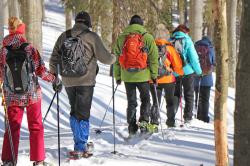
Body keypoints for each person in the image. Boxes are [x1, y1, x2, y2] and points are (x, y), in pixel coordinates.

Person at [49, 11, 116, 157]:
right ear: (88, 23)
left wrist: (55, 76)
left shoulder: (64, 36)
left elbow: (54, 58)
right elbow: (106, 58)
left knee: (74, 111)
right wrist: (114, 58)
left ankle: (79, 142)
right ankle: (81, 145)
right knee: (83, 113)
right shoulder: (91, 36)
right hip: (86, 80)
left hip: (68, 80)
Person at [0, 17, 61, 166]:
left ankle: (8, 160)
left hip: (11, 95)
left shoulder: (3, 51)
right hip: (32, 94)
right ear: (22, 29)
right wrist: (54, 79)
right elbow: (41, 70)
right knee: (36, 126)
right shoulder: (29, 49)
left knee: (12, 127)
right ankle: (38, 160)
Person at [113, 15, 158, 135]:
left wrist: (118, 76)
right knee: (145, 99)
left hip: (127, 75)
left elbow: (116, 59)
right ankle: (143, 123)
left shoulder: (122, 38)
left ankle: (132, 127)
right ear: (141, 24)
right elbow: (154, 58)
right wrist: (154, 75)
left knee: (131, 101)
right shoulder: (147, 37)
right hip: (143, 75)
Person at [149, 24, 184, 130]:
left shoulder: (151, 47)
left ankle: (154, 123)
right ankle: (170, 122)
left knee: (155, 102)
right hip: (169, 79)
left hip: (153, 79)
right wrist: (180, 73)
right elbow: (177, 65)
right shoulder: (170, 49)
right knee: (170, 101)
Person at [170, 24, 202, 123]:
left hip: (175, 71)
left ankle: (171, 116)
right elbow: (193, 58)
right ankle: (188, 117)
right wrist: (199, 71)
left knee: (176, 94)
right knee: (189, 94)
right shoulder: (187, 40)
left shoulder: (170, 40)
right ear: (185, 31)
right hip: (188, 71)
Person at [194, 36, 215, 123]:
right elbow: (214, 62)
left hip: (196, 77)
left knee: (198, 97)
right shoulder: (210, 48)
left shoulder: (195, 47)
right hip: (207, 78)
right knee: (205, 99)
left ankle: (198, 116)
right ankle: (205, 117)